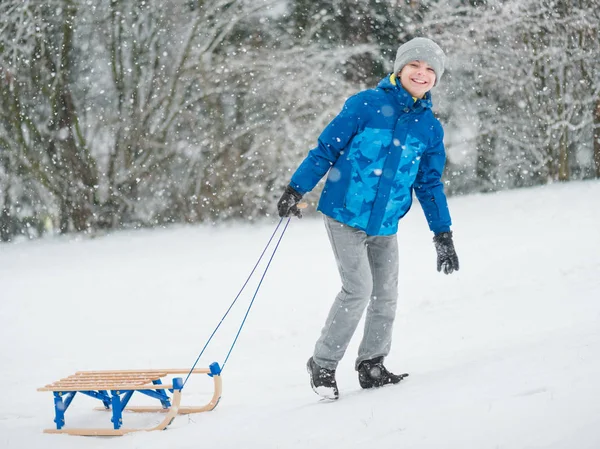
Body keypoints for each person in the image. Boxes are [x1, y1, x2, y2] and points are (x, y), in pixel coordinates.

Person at [277, 37, 459, 400]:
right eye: (414, 66)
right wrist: (297, 189)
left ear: (436, 78)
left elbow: (429, 184)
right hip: (345, 213)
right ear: (399, 69)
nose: (421, 74)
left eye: (429, 70)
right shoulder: (366, 105)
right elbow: (326, 149)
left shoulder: (429, 129)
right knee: (358, 289)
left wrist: (443, 234)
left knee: (386, 293)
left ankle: (371, 363)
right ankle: (323, 363)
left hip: (386, 221)